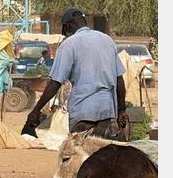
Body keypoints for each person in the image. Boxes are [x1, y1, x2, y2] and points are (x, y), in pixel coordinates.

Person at [25, 8, 127, 138]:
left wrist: (36, 110)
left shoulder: (69, 44)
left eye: (67, 31)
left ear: (68, 26)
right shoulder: (107, 41)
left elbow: (55, 83)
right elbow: (119, 80)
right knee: (99, 154)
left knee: (79, 155)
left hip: (82, 112)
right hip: (106, 112)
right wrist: (122, 109)